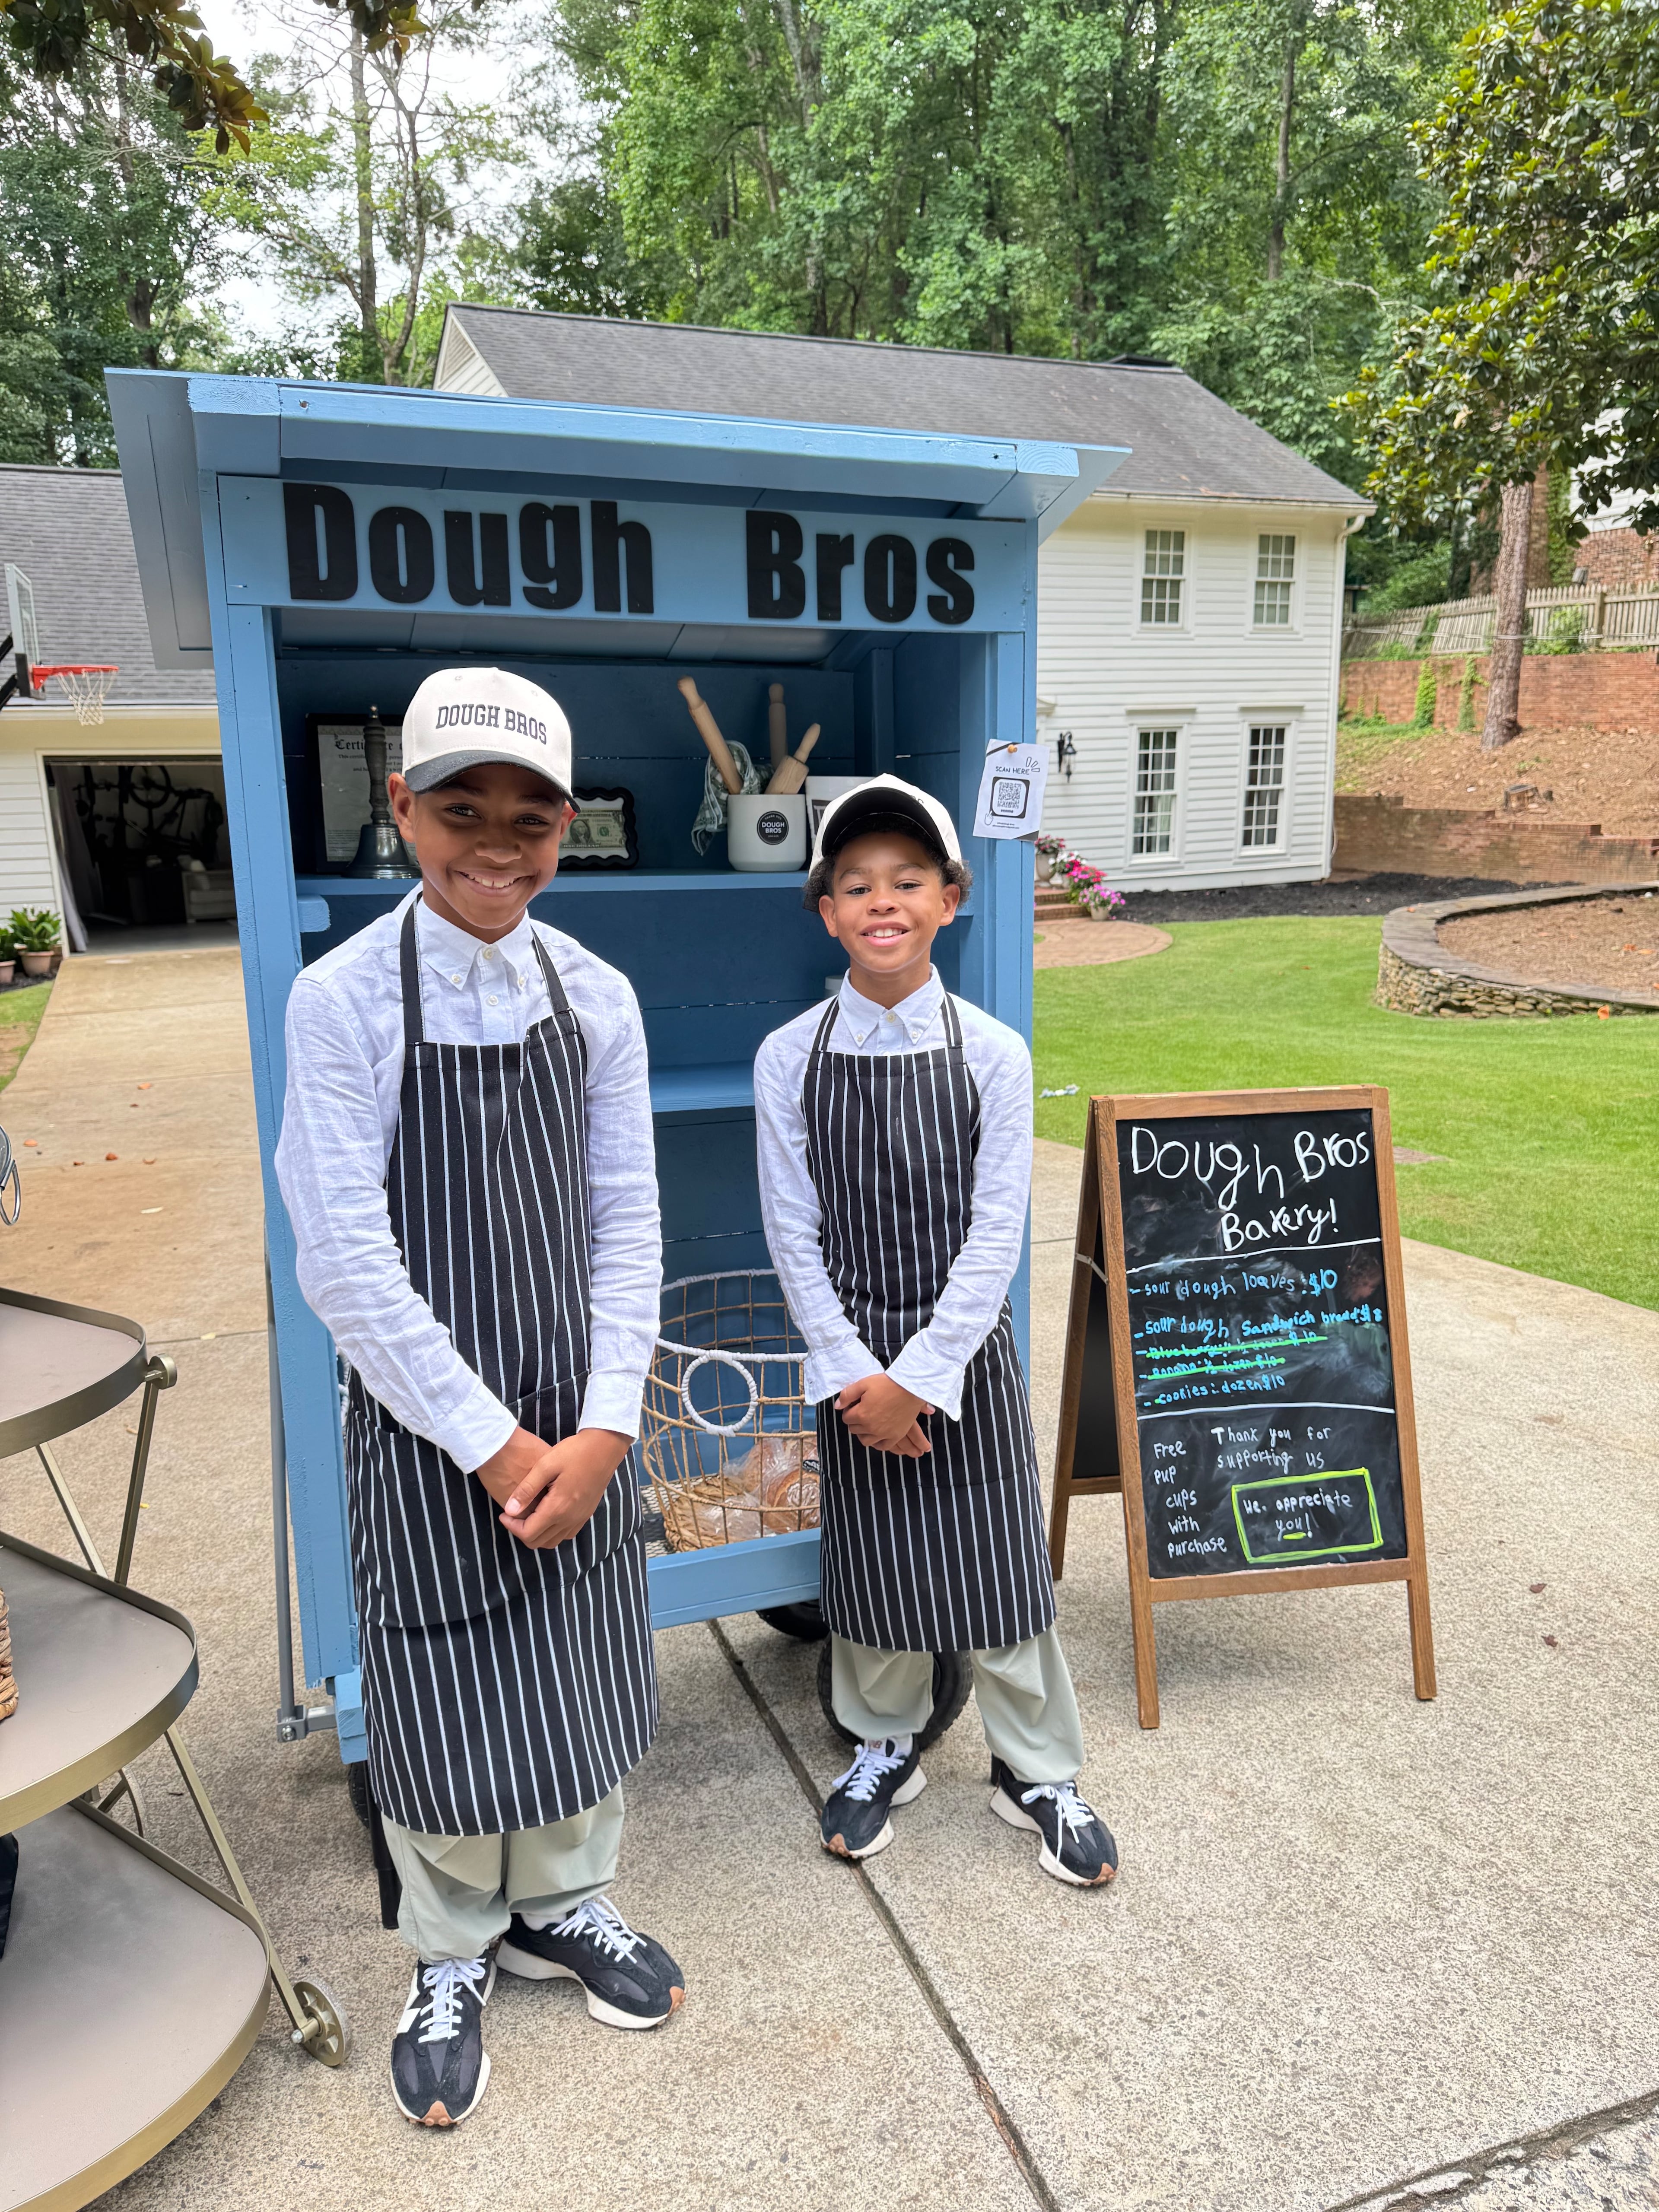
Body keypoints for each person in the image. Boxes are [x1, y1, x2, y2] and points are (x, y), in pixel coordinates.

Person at [276, 666, 682, 2130]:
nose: (496, 846)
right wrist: (497, 1440)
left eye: (531, 818)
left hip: (581, 1414)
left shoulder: (602, 997)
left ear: (568, 828)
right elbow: (342, 1255)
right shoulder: (338, 1004)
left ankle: (565, 1903)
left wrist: (608, 1423)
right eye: (462, 811)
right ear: (402, 810)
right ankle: (451, 1949)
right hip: (429, 1420)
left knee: (576, 1668)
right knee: (445, 1690)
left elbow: (629, 1216)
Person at [753, 776, 1118, 1888]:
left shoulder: (993, 1055)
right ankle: (883, 1744)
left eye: (908, 881)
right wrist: (862, 1378)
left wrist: (921, 1378)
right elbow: (792, 1233)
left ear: (950, 898)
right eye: (856, 883)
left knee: (1000, 1568)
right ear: (825, 909)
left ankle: (1037, 1769)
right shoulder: (790, 1058)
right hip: (848, 1363)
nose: (882, 902)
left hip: (965, 1357)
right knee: (871, 1571)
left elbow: (994, 1239)